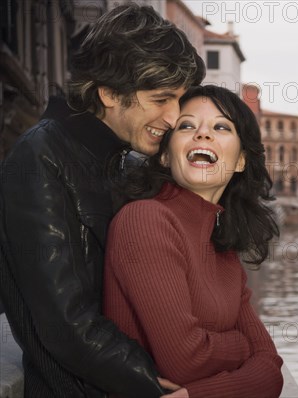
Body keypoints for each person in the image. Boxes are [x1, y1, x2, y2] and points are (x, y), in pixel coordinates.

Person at [0, 4, 205, 397]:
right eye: (161, 98)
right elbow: (67, 324)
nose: (173, 115)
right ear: (109, 92)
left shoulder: (122, 163)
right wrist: (152, 383)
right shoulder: (40, 156)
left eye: (180, 99)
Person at [103, 85, 284, 397]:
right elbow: (187, 362)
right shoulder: (144, 221)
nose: (203, 134)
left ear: (240, 161)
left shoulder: (223, 250)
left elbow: (271, 372)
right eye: (186, 125)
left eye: (221, 127)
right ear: (164, 154)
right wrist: (242, 345)